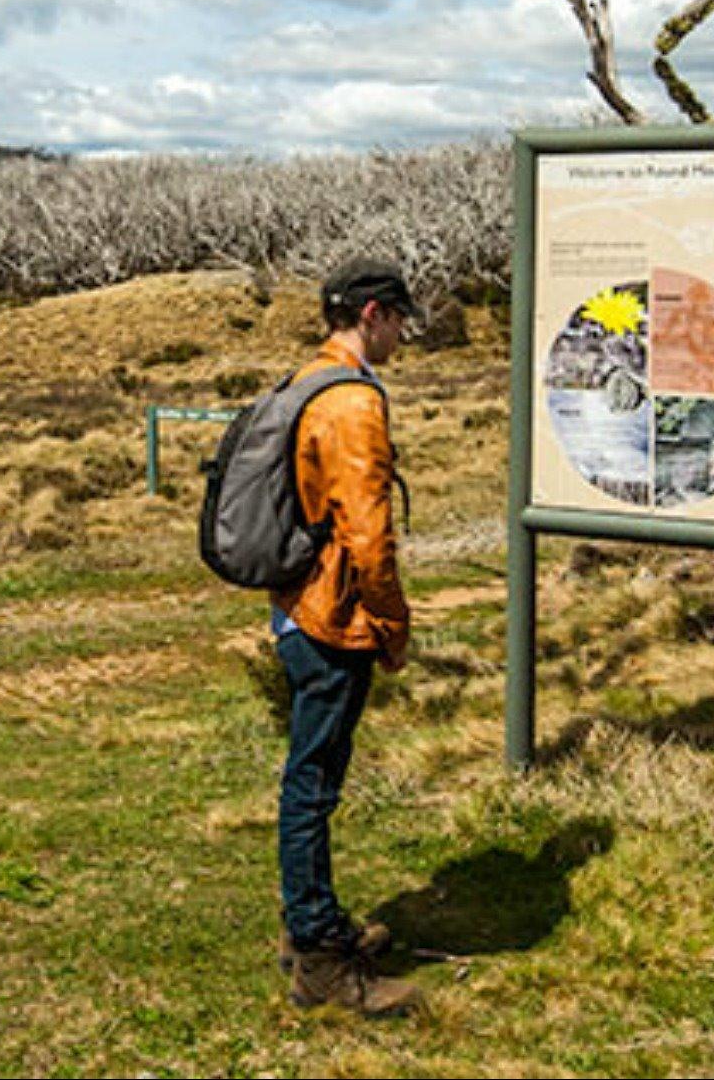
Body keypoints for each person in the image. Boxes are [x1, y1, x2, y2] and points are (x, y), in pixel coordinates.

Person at [272, 258, 422, 1016]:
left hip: (298, 602)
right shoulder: (355, 402)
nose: (401, 335)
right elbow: (369, 534)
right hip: (334, 616)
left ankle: (314, 922)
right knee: (314, 782)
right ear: (372, 312)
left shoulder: (308, 379)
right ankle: (319, 960)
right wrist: (392, 624)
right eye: (398, 320)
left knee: (311, 776)